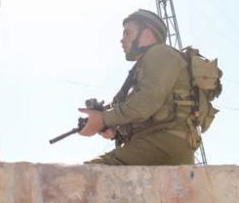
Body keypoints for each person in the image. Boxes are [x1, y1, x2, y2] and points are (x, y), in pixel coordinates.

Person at [78, 9, 199, 165]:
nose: (122, 40)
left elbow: (146, 102)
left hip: (164, 142)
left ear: (148, 34)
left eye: (127, 33)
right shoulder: (144, 65)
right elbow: (145, 115)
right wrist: (114, 131)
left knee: (91, 173)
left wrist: (104, 118)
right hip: (155, 142)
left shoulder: (161, 54)